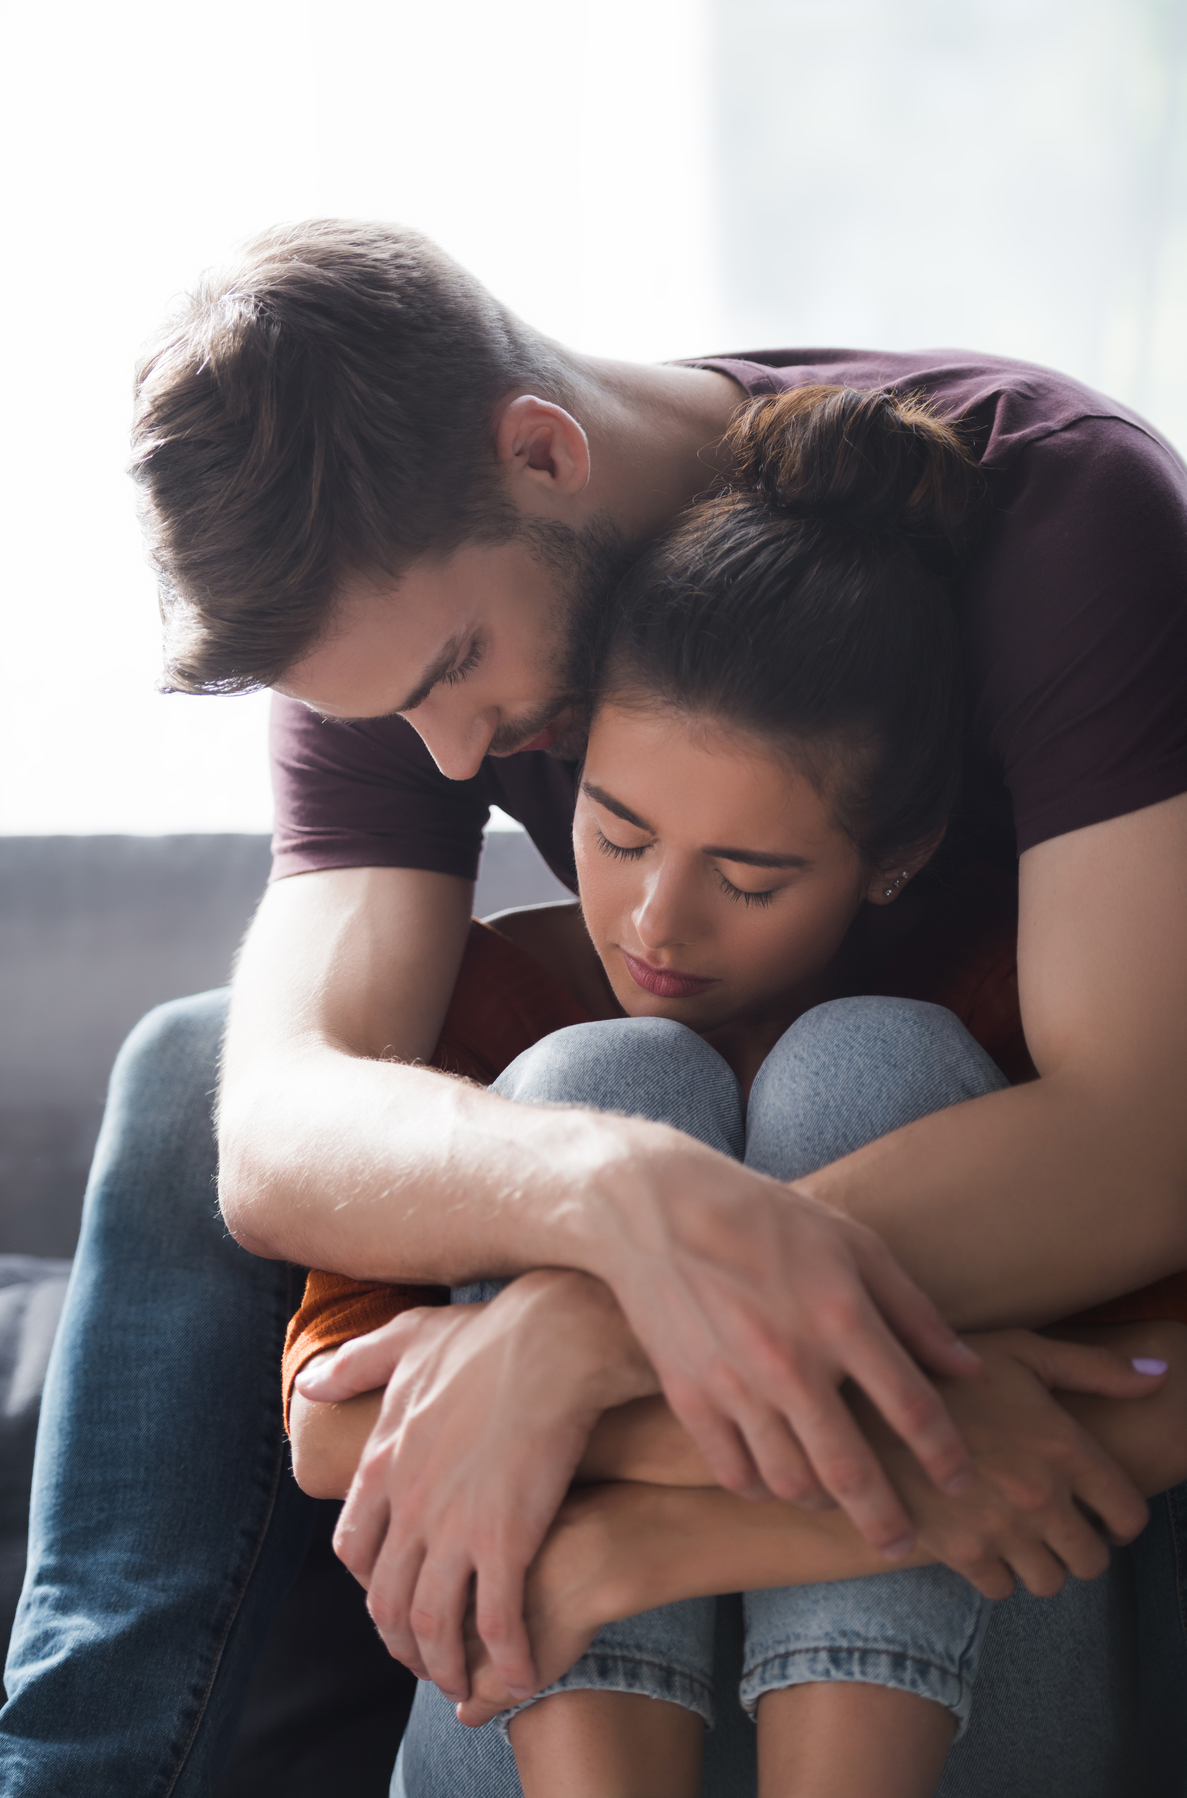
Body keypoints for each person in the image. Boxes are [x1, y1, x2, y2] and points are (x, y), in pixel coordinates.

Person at [0, 219, 1186, 1796]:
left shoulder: (1057, 511)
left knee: (861, 1063)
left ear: (540, 453)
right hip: (765, 1422)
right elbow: (276, 1125)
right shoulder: (400, 628)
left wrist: (584, 1329)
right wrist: (613, 1196)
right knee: (206, 1063)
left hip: (968, 1442)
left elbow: (1145, 1135)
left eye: (453, 669)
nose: (451, 757)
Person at [284, 382, 1187, 1798]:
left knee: (873, 1068)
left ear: (894, 857)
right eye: (616, 831)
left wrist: (632, 1520)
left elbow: (1158, 1386)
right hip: (532, 1716)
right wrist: (904, 1430)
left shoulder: (1012, 1024)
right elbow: (338, 1422)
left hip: (947, 1719)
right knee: (606, 1078)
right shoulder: (501, 1011)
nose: (656, 924)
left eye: (751, 877)